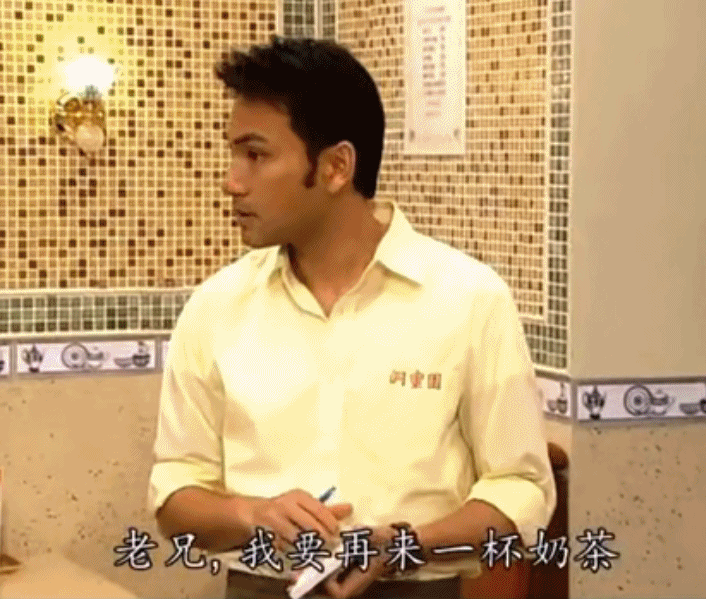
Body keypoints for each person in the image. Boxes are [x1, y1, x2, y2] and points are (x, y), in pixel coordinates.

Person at [147, 36, 556, 599]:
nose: (232, 180)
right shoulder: (216, 307)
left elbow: (523, 488)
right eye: (233, 153)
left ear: (336, 166)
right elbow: (174, 493)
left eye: (256, 155)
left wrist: (411, 543)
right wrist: (250, 514)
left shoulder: (468, 299)